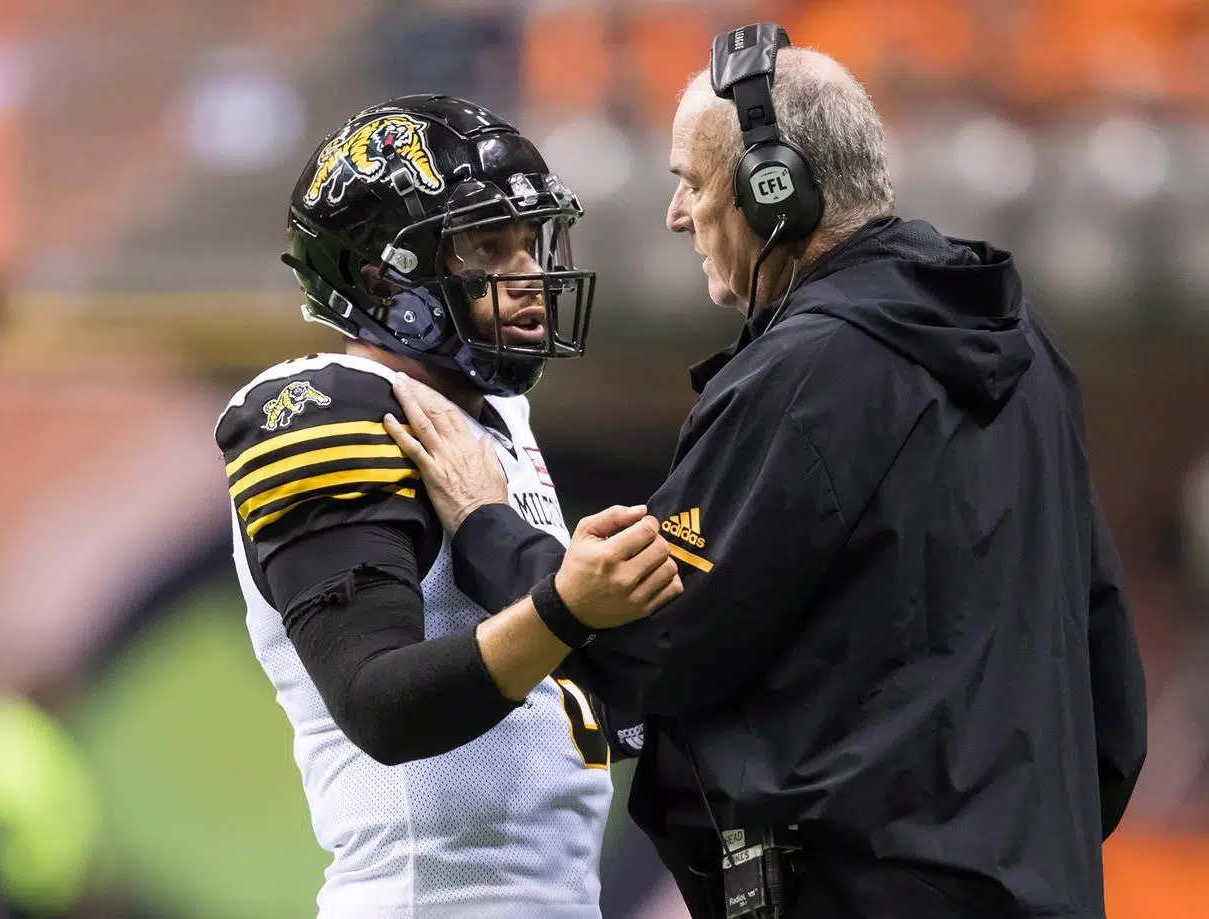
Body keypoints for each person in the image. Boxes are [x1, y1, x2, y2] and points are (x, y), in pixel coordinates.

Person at [381, 26, 1148, 919]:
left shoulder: (811, 371)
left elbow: (641, 631)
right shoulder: (1028, 349)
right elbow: (1110, 700)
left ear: (772, 189)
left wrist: (486, 524)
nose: (677, 215)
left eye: (692, 182)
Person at [214, 94, 682, 919]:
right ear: (381, 279)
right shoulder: (325, 407)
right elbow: (380, 703)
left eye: (529, 240)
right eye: (484, 247)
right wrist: (568, 607)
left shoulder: (493, 421)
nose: (529, 273)